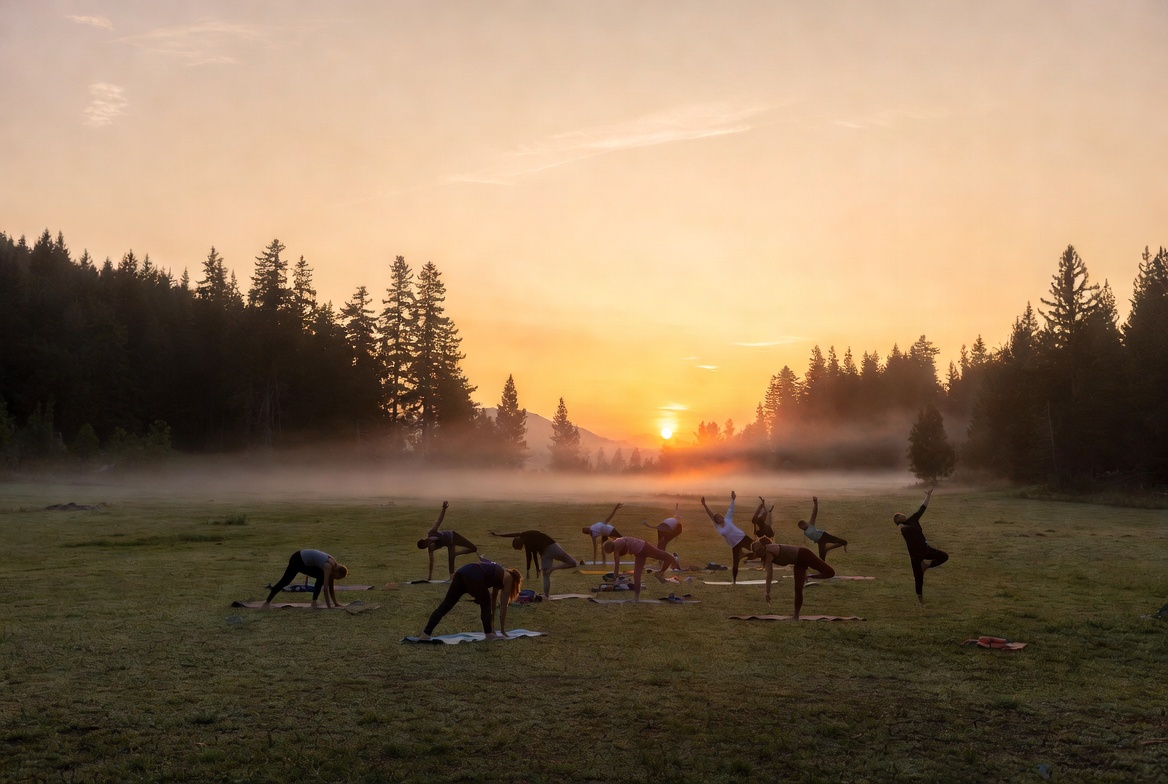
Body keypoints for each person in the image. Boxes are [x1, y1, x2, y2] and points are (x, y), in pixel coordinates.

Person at [418, 557, 522, 640]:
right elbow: (503, 607)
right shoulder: (509, 578)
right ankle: (489, 634)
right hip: (473, 576)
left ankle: (425, 633)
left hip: (461, 573)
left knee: (446, 605)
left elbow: (494, 604)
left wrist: (494, 627)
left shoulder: (499, 573)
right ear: (515, 582)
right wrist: (503, 631)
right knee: (485, 601)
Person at [750, 537, 835, 619]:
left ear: (762, 547)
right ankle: (796, 616)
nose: (760, 554)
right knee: (798, 589)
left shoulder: (768, 551)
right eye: (757, 553)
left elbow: (769, 575)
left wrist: (767, 592)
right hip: (798, 562)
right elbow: (768, 573)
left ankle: (810, 576)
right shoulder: (766, 554)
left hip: (804, 554)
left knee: (830, 572)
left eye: (759, 551)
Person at [894, 488, 948, 606]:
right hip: (916, 556)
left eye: (900, 514)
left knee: (944, 556)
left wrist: (928, 495)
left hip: (926, 550)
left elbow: (923, 507)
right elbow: (903, 530)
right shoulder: (902, 528)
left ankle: (926, 565)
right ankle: (920, 601)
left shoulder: (913, 519)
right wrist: (901, 526)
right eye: (898, 516)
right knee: (919, 578)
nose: (901, 514)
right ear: (898, 520)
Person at [489, 528, 578, 597]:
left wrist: (499, 535)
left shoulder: (526, 539)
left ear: (519, 542)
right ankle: (546, 594)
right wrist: (499, 535)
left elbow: (531, 557)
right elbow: (531, 556)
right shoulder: (526, 538)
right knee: (571, 563)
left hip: (551, 548)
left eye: (519, 547)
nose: (521, 548)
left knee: (568, 565)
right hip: (549, 550)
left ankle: (552, 570)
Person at [262, 549, 348, 609]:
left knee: (320, 576)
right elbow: (325, 589)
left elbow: (331, 588)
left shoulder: (334, 567)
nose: (337, 579)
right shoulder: (328, 566)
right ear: (337, 572)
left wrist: (336, 603)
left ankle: (314, 601)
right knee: (285, 581)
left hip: (302, 559)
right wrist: (329, 607)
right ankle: (267, 603)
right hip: (297, 559)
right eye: (338, 578)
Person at [700, 491, 754, 584]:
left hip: (743, 538)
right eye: (719, 517)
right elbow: (710, 515)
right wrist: (704, 504)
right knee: (735, 563)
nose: (721, 517)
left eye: (721, 516)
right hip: (734, 545)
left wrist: (733, 499)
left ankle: (752, 556)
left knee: (757, 548)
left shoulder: (728, 519)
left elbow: (731, 508)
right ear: (716, 521)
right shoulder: (718, 526)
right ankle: (734, 581)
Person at [603, 537, 681, 601]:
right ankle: (636, 598)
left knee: (663, 556)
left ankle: (665, 568)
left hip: (644, 547)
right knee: (636, 576)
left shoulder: (617, 544)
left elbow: (617, 562)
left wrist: (615, 576)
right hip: (639, 554)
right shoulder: (617, 543)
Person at [417, 501, 478, 580]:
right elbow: (431, 562)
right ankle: (451, 577)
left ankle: (456, 553)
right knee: (451, 559)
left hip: (453, 536)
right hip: (450, 544)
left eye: (426, 543)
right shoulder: (430, 548)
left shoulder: (432, 533)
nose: (428, 545)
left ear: (424, 540)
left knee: (473, 548)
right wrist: (430, 577)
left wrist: (444, 509)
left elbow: (439, 521)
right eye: (426, 546)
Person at [797, 496, 849, 561]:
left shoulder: (810, 525)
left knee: (842, 542)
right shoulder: (805, 533)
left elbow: (814, 513)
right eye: (802, 525)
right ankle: (825, 554)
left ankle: (829, 548)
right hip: (820, 541)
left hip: (824, 536)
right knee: (822, 557)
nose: (805, 525)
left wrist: (815, 503)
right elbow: (813, 537)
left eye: (804, 523)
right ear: (801, 528)